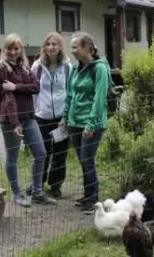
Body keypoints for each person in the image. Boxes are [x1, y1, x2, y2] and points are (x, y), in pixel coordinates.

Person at [0, 33, 57, 207]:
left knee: (40, 153)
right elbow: (9, 99)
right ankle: (16, 193)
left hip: (29, 117)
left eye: (16, 48)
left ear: (20, 49)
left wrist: (16, 87)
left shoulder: (25, 66)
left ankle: (37, 192)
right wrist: (15, 123)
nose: (13, 52)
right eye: (9, 48)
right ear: (4, 49)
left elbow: (36, 87)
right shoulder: (2, 69)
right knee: (12, 157)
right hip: (10, 120)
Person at [62, 31, 110, 215]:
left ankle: (93, 198)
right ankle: (87, 194)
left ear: (87, 48)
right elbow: (70, 94)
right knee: (83, 161)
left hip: (92, 124)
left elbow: (99, 99)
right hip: (75, 122)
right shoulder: (75, 68)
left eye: (75, 47)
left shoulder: (100, 69)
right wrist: (65, 117)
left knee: (87, 160)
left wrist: (91, 125)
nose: (72, 51)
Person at [31, 32, 71, 199]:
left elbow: (70, 92)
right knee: (42, 152)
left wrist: (66, 117)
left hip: (61, 119)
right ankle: (38, 184)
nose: (51, 47)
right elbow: (33, 92)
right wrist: (32, 114)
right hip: (42, 117)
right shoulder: (37, 67)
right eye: (48, 44)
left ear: (60, 47)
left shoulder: (68, 67)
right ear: (44, 47)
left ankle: (56, 185)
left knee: (60, 153)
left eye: (54, 44)